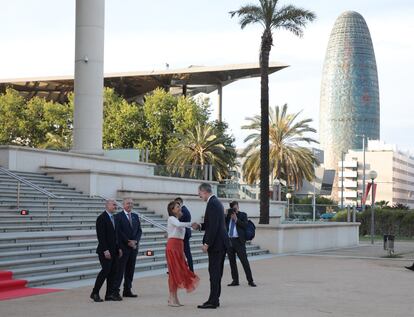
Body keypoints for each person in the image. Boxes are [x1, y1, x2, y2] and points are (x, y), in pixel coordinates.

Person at [192, 183, 229, 309]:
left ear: (204, 191)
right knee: (216, 273)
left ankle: (213, 301)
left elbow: (214, 226)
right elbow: (211, 223)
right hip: (221, 243)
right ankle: (214, 299)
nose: (199, 196)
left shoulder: (212, 203)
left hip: (217, 244)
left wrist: (207, 243)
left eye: (199, 193)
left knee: (214, 273)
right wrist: (200, 226)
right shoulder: (216, 202)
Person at [165, 201, 200, 307]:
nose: (180, 208)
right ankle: (172, 298)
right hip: (173, 247)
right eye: (177, 207)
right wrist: (191, 224)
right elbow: (178, 225)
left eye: (180, 206)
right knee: (173, 273)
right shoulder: (171, 219)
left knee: (178, 272)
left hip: (178, 247)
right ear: (172, 210)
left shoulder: (177, 220)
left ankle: (174, 298)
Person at [90, 199, 123, 302]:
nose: (115, 207)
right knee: (105, 271)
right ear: (107, 205)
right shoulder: (101, 218)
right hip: (105, 251)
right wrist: (105, 250)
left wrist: (119, 248)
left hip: (115, 251)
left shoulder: (115, 218)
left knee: (113, 272)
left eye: (116, 205)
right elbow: (101, 236)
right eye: (113, 205)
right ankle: (94, 292)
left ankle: (109, 294)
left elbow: (116, 236)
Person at [114, 198, 142, 298]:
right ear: (123, 205)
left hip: (133, 248)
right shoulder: (118, 216)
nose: (130, 205)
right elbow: (118, 232)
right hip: (123, 248)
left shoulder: (135, 216)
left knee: (130, 270)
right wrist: (127, 241)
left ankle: (127, 290)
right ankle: (116, 291)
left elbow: (139, 231)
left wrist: (135, 241)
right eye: (128, 203)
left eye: (131, 203)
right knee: (120, 271)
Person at [226, 201, 256, 287]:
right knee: (232, 262)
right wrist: (225, 214)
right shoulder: (228, 216)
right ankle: (235, 280)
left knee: (244, 262)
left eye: (236, 208)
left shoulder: (243, 215)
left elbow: (245, 225)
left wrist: (236, 219)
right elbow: (224, 225)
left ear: (238, 207)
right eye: (233, 208)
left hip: (239, 241)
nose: (235, 210)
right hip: (230, 241)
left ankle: (250, 281)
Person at [175, 197, 194, 272]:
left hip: (184, 235)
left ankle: (190, 269)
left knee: (187, 253)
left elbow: (179, 223)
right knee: (183, 252)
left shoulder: (183, 211)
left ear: (180, 203)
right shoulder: (184, 209)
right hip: (184, 234)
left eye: (177, 205)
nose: (176, 207)